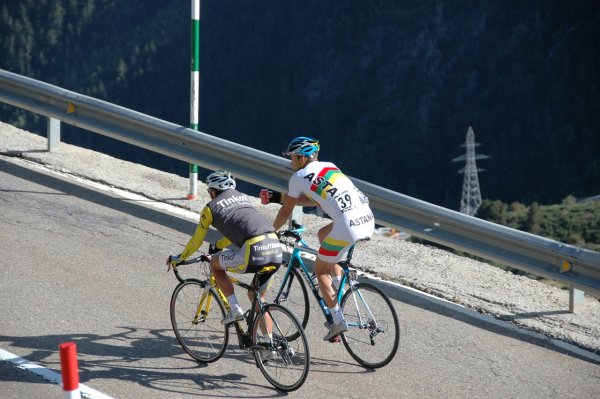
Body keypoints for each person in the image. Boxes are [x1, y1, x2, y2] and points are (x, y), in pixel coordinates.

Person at [266, 136, 375, 341]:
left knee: (320, 268)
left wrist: (270, 231)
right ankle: (339, 284)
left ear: (302, 158)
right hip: (367, 218)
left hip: (347, 226)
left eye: (292, 158)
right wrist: (279, 197)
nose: (290, 163)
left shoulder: (298, 177)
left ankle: (337, 321)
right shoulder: (329, 166)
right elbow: (315, 197)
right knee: (323, 235)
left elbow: (285, 212)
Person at [167, 170, 282, 326]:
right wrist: (218, 245)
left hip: (254, 250)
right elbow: (237, 230)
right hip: (275, 246)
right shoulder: (243, 198)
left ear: (213, 191)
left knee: (215, 264)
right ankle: (269, 345)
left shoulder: (210, 208)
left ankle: (235, 310)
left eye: (209, 191)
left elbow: (197, 241)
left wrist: (179, 258)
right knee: (257, 299)